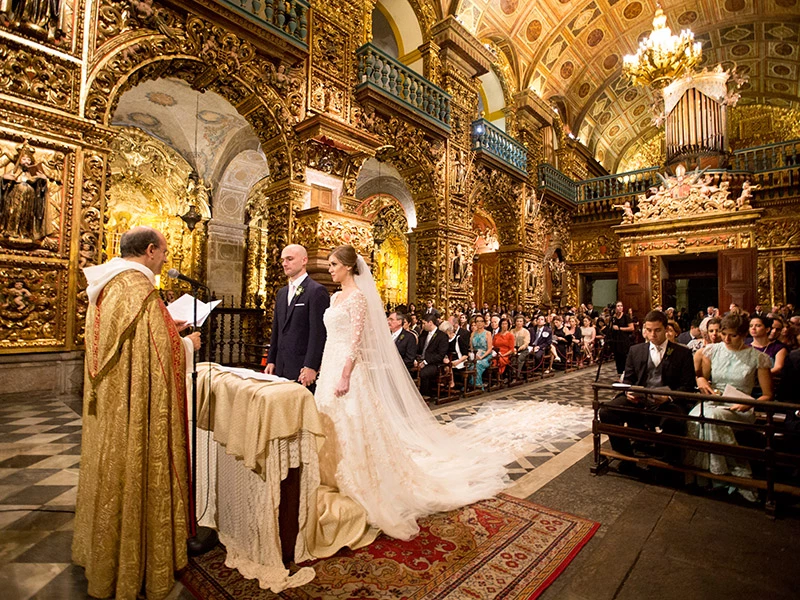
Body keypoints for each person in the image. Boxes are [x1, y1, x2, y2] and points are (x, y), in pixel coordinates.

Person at [312, 246, 507, 541]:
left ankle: (360, 479)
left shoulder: (358, 298)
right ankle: (328, 473)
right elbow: (332, 339)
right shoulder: (334, 296)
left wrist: (345, 374)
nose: (330, 268)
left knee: (354, 422)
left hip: (346, 369)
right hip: (329, 363)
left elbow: (354, 341)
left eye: (334, 264)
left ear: (350, 267)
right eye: (329, 264)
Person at [74, 226, 201, 599]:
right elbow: (160, 353)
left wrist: (166, 326)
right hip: (134, 407)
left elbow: (135, 341)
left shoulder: (108, 283)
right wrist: (187, 344)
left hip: (112, 403)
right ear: (149, 250)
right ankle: (137, 563)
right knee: (136, 467)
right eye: (163, 251)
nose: (165, 259)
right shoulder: (138, 289)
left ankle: (102, 554)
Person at [598, 310, 695, 462]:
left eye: (657, 330)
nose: (652, 334)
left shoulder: (682, 353)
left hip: (667, 402)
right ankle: (625, 455)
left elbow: (687, 385)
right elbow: (628, 380)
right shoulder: (636, 350)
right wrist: (629, 392)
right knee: (606, 412)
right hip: (640, 399)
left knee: (673, 421)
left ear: (666, 329)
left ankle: (666, 461)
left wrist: (668, 397)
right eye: (649, 330)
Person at [688, 313, 773, 485]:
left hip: (740, 407)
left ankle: (724, 472)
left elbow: (768, 395)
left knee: (713, 417)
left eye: (732, 335)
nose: (726, 339)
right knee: (695, 416)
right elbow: (701, 376)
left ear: (743, 335)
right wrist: (700, 379)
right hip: (714, 400)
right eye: (723, 333)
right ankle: (701, 474)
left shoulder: (757, 357)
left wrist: (749, 404)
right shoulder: (713, 350)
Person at [265, 244, 329, 390]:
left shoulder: (316, 291)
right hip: (280, 366)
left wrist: (311, 366)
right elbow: (277, 329)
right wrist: (271, 360)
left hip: (302, 368)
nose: (284, 264)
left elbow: (318, 333)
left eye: (289, 259)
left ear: (304, 260)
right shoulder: (281, 293)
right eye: (283, 260)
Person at [416, 313, 449, 399]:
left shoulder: (442, 336)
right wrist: (416, 360)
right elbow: (418, 349)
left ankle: (424, 395)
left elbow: (440, 355)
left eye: (424, 323)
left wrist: (426, 362)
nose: (422, 326)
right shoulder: (423, 334)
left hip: (433, 363)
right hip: (421, 360)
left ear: (430, 322)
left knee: (422, 373)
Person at [609, 301, 635, 378]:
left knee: (624, 358)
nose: (620, 308)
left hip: (624, 340)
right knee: (618, 358)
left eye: (621, 306)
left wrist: (620, 328)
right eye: (618, 306)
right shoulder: (613, 318)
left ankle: (626, 375)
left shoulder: (626, 317)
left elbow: (631, 328)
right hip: (616, 340)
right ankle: (619, 374)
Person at [470, 314, 493, 389]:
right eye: (477, 321)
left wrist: (482, 357)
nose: (479, 323)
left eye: (481, 321)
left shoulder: (488, 333)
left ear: (484, 323)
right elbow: (471, 348)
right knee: (469, 365)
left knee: (477, 365)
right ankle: (471, 384)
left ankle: (478, 386)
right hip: (475, 355)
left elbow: (490, 349)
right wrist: (473, 355)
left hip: (486, 356)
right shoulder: (473, 333)